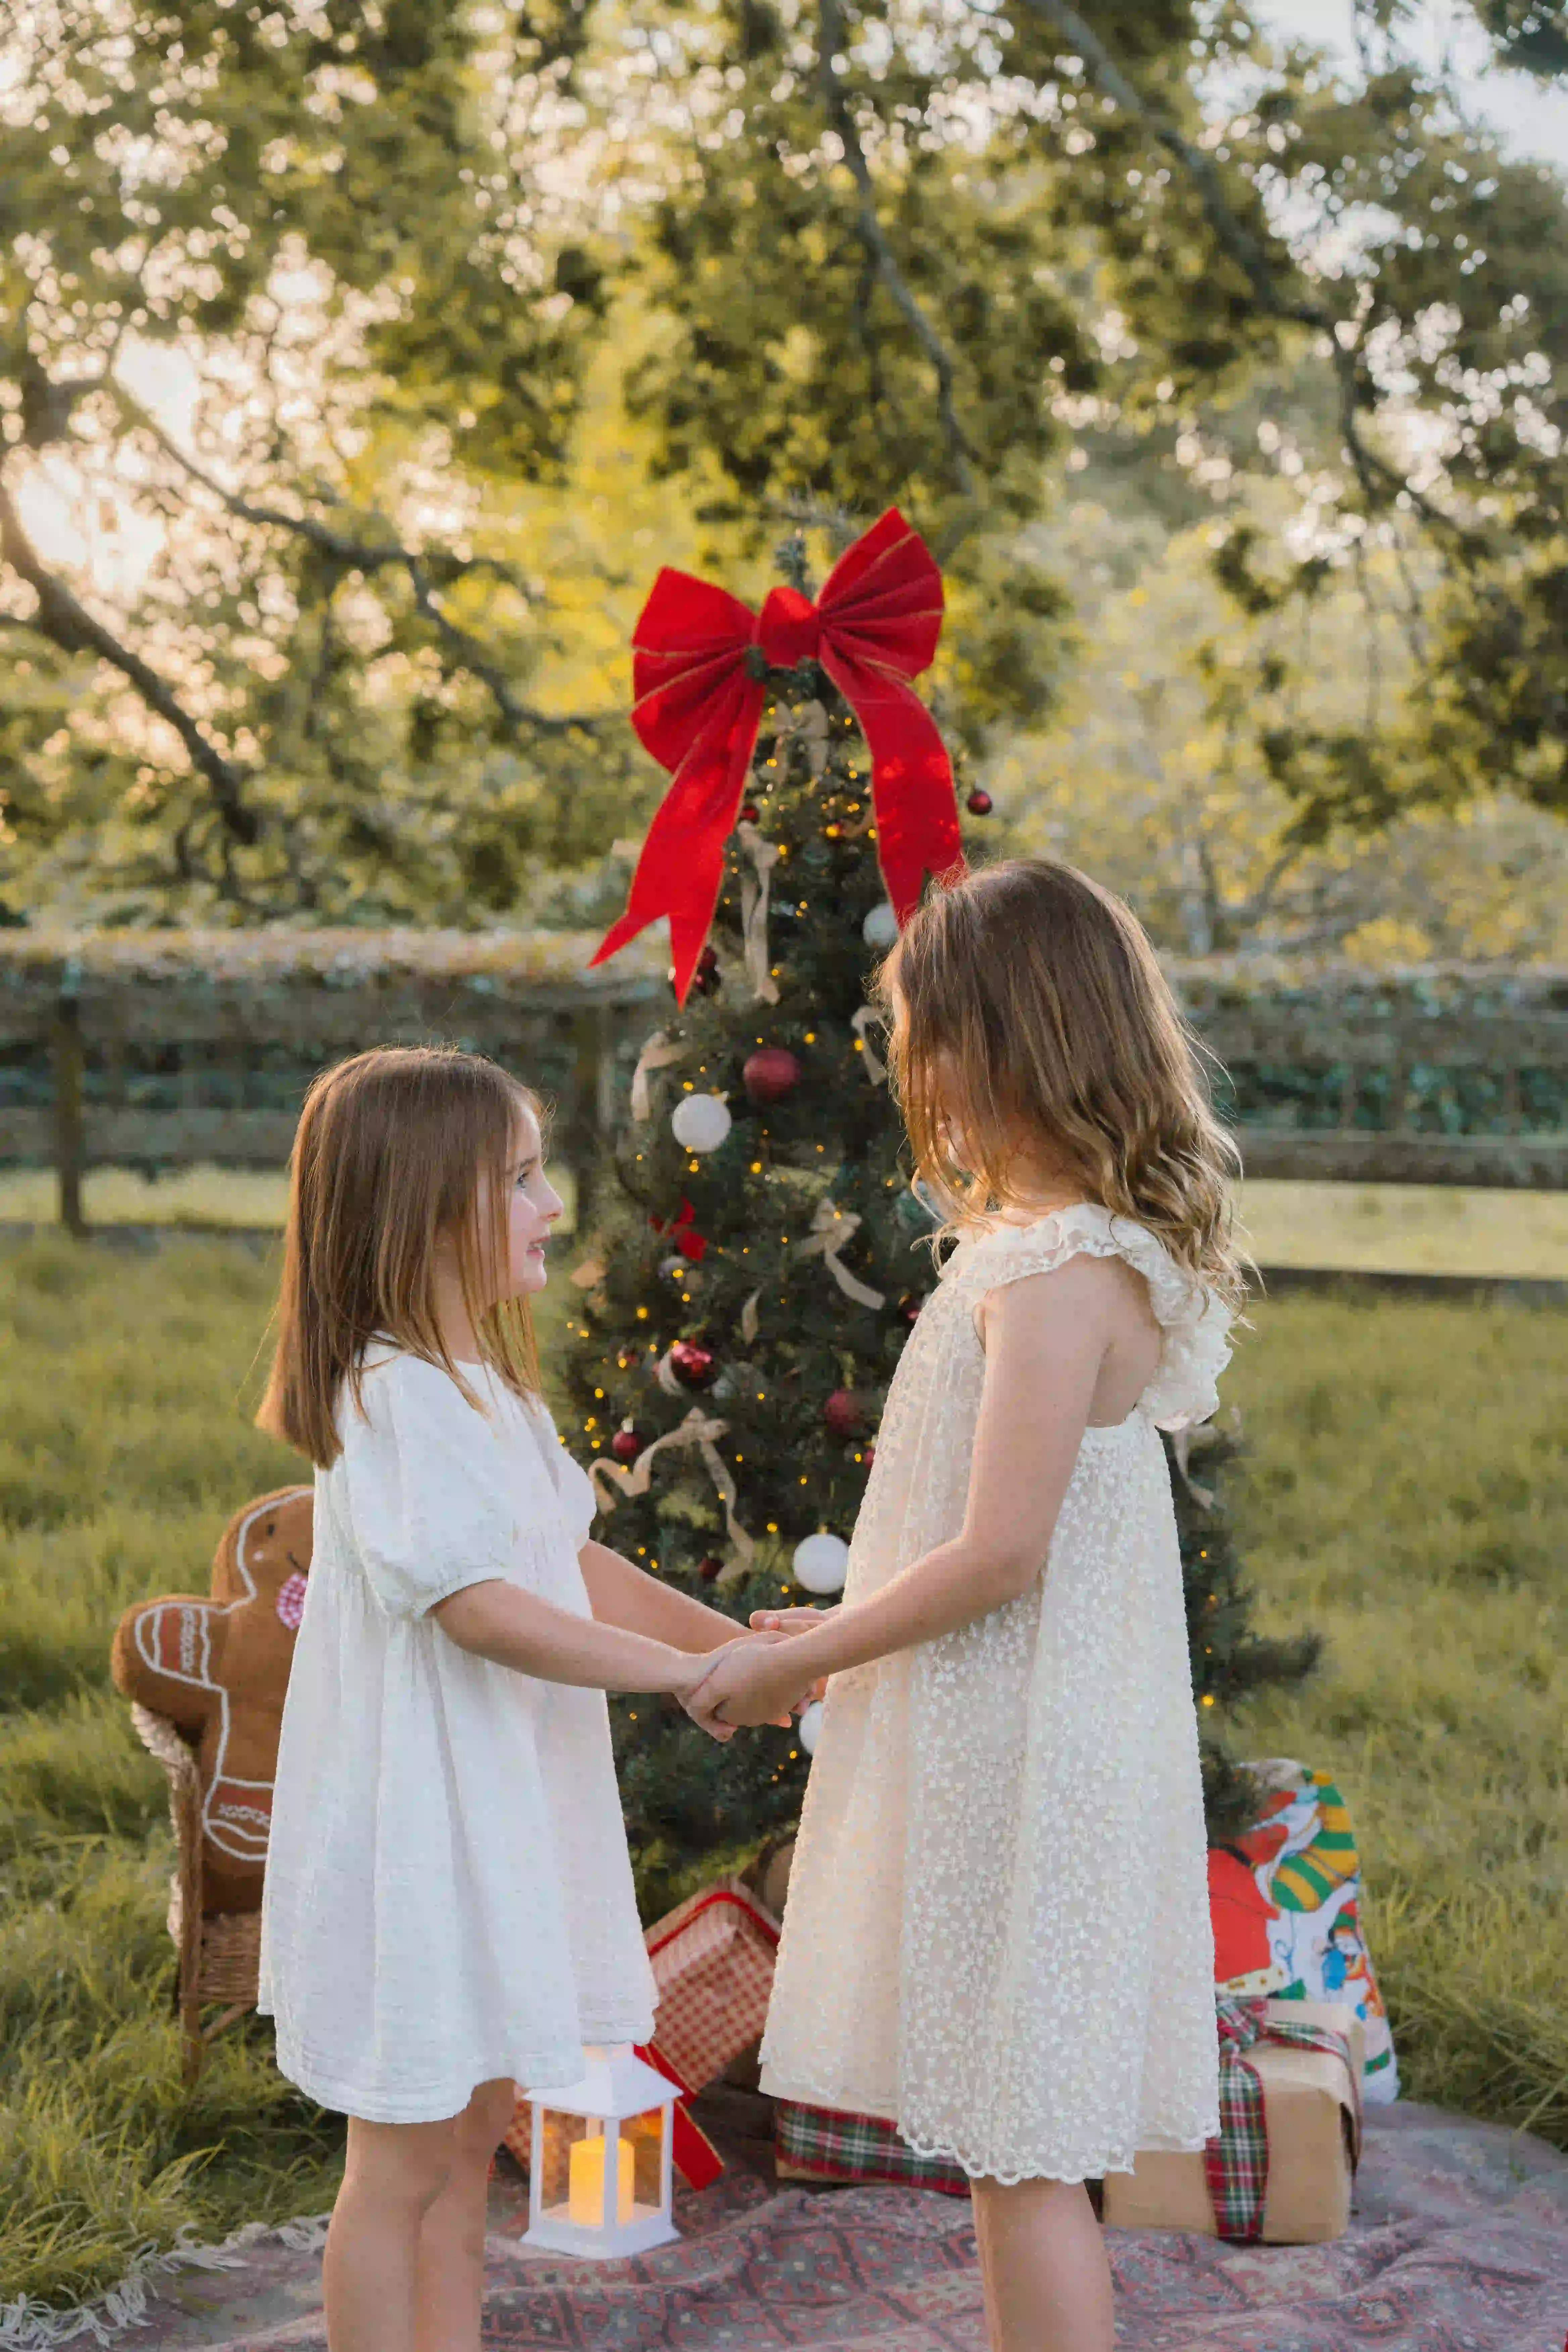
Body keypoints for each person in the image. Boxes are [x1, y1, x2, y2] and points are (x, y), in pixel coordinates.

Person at [687, 860, 1246, 2352]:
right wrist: (839, 1624)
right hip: (1021, 1717)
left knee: (1019, 2158)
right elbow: (976, 1533)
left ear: (997, 1043)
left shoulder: (1057, 1274)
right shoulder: (1060, 1255)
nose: (906, 1064)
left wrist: (795, 1672)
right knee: (1017, 2155)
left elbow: (1001, 1554)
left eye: (923, 1032)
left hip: (1026, 1745)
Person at [254, 1046, 777, 2352]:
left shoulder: (485, 1390)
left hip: (505, 1824)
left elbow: (571, 1561)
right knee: (407, 2160)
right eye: (523, 1180)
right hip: (428, 1838)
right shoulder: (388, 1400)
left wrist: (745, 1654)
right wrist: (684, 1679)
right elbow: (480, 1606)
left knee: (474, 2134)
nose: (553, 1208)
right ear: (427, 1206)